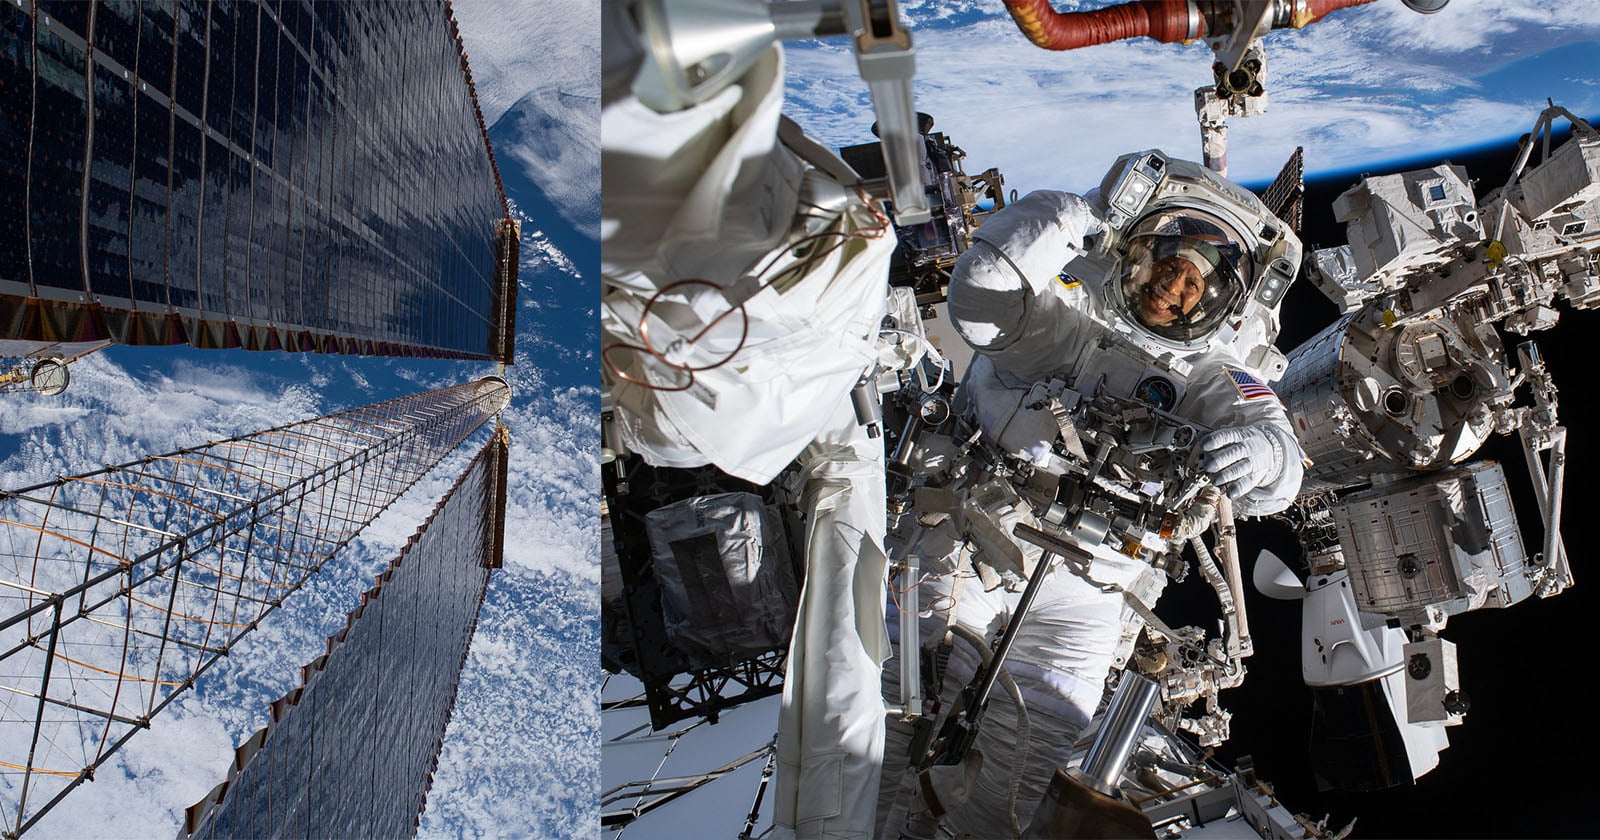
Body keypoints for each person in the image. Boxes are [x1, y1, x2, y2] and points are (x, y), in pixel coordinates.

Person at [874, 152, 1306, 837]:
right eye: (1167, 268)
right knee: (902, 722)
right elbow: (982, 295)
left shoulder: (1216, 376)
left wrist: (1263, 454)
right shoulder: (1068, 320)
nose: (1175, 290)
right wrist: (1076, 215)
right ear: (1132, 258)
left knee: (1015, 774)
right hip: (977, 533)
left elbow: (1281, 461)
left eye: (1196, 285)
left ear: (1222, 302)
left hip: (1094, 587)